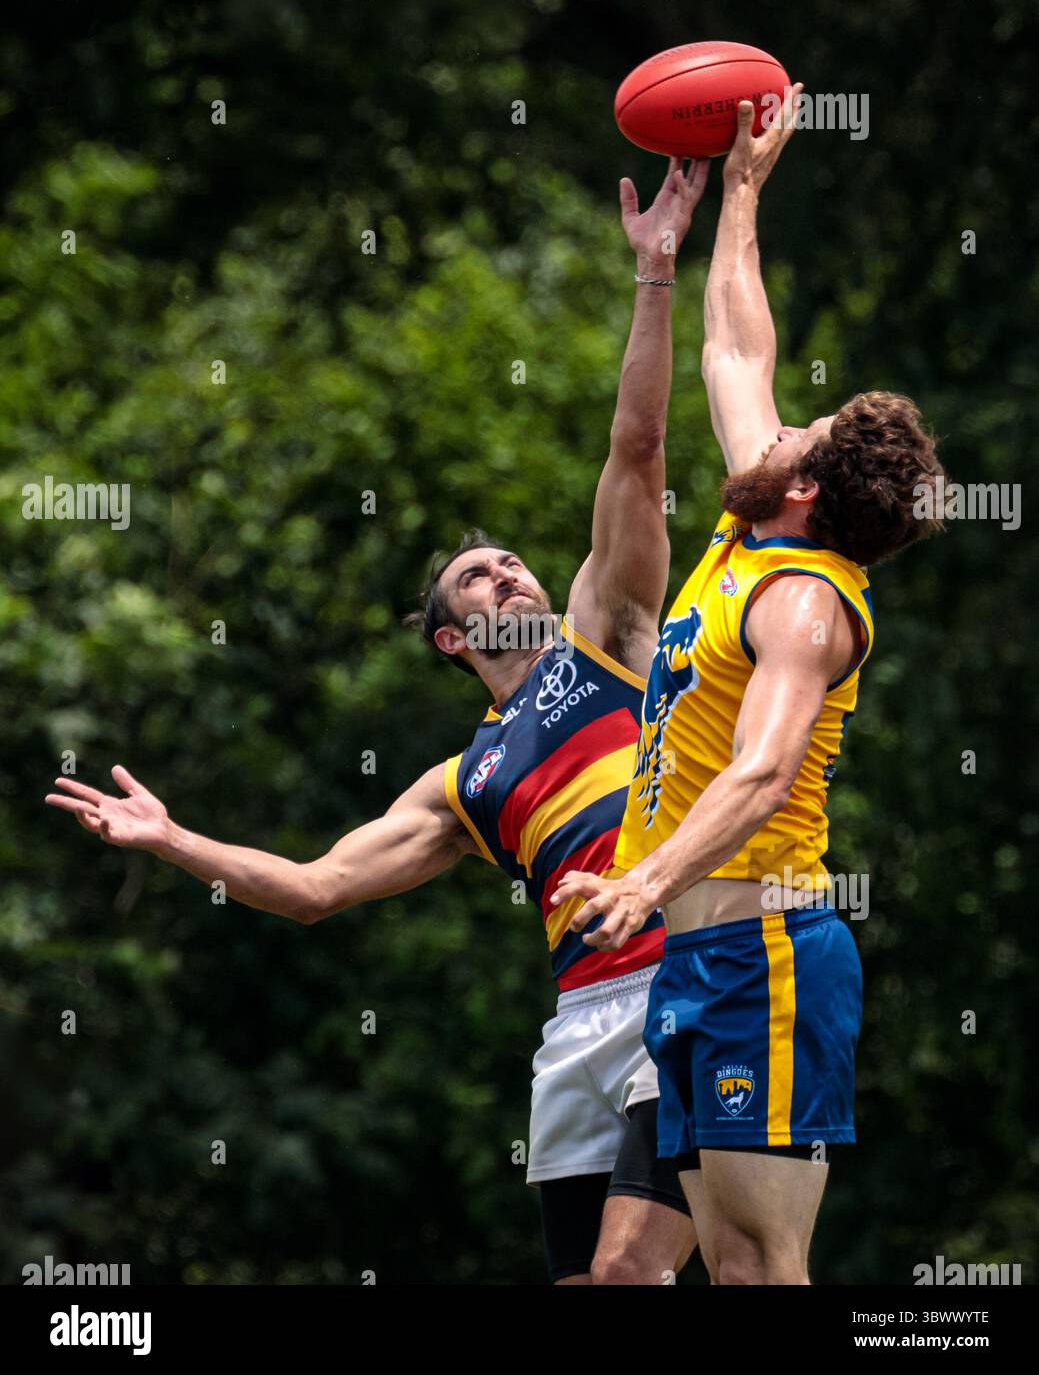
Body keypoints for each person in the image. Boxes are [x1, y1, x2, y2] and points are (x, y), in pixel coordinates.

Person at [46, 158, 709, 1285]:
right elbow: (312, 889)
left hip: (676, 977)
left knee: (628, 1277)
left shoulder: (607, 633)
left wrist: (653, 275)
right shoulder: (463, 781)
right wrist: (171, 841)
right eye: (478, 580)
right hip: (576, 1028)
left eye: (511, 560)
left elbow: (635, 450)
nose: (508, 571)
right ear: (453, 640)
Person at [552, 92, 945, 1285]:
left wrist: (642, 881)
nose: (771, 424)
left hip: (767, 954)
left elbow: (763, 766)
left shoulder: (803, 602)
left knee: (767, 1265)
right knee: (719, 1263)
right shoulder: (752, 539)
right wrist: (738, 193)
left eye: (798, 430)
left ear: (805, 489)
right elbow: (737, 345)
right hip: (697, 956)